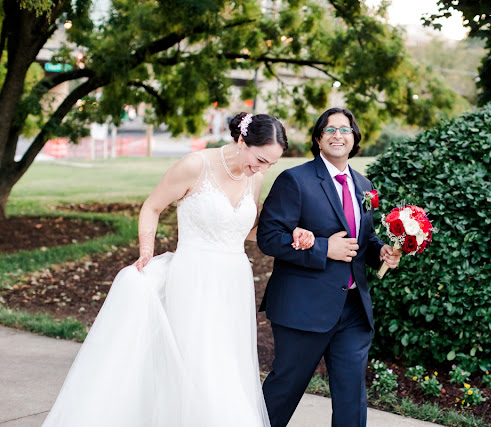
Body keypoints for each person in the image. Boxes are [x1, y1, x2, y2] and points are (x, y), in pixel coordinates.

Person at [43, 113, 314, 427]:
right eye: (261, 159)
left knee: (224, 365)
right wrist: (147, 251)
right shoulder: (195, 166)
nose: (263, 168)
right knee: (195, 362)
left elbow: (245, 229)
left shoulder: (254, 177)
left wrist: (290, 233)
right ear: (242, 141)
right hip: (194, 275)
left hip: (234, 282)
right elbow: (152, 206)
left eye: (271, 164)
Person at [257, 107, 401, 427]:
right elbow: (268, 238)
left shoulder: (365, 186)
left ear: (355, 139)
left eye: (345, 130)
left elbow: (367, 237)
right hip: (303, 307)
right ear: (318, 139)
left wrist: (382, 252)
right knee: (284, 390)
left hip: (352, 309)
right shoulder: (294, 179)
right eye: (330, 130)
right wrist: (325, 248)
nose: (338, 135)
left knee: (352, 397)